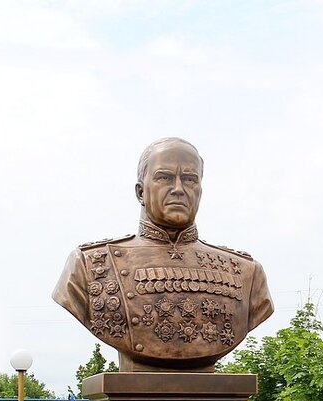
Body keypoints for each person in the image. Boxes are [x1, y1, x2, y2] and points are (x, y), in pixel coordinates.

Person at [52, 137, 273, 371]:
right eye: (164, 177)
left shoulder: (246, 272)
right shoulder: (88, 264)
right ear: (140, 192)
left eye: (189, 179)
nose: (178, 189)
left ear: (200, 190)